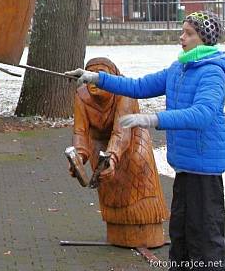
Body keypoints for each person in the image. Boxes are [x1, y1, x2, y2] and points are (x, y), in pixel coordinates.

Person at [68, 11, 225, 267]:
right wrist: (98, 78)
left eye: (189, 33)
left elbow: (203, 114)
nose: (181, 37)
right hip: (184, 165)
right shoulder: (179, 68)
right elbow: (139, 86)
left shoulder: (212, 73)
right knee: (180, 235)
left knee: (205, 239)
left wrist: (154, 120)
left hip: (204, 168)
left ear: (204, 39)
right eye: (182, 31)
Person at [71, 57, 168, 248]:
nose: (92, 84)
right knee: (105, 176)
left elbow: (121, 130)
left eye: (100, 75)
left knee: (138, 169)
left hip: (132, 136)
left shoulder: (124, 93)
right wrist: (78, 156)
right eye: (91, 74)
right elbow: (80, 132)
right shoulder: (81, 96)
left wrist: (113, 156)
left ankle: (146, 229)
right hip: (100, 142)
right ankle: (117, 230)